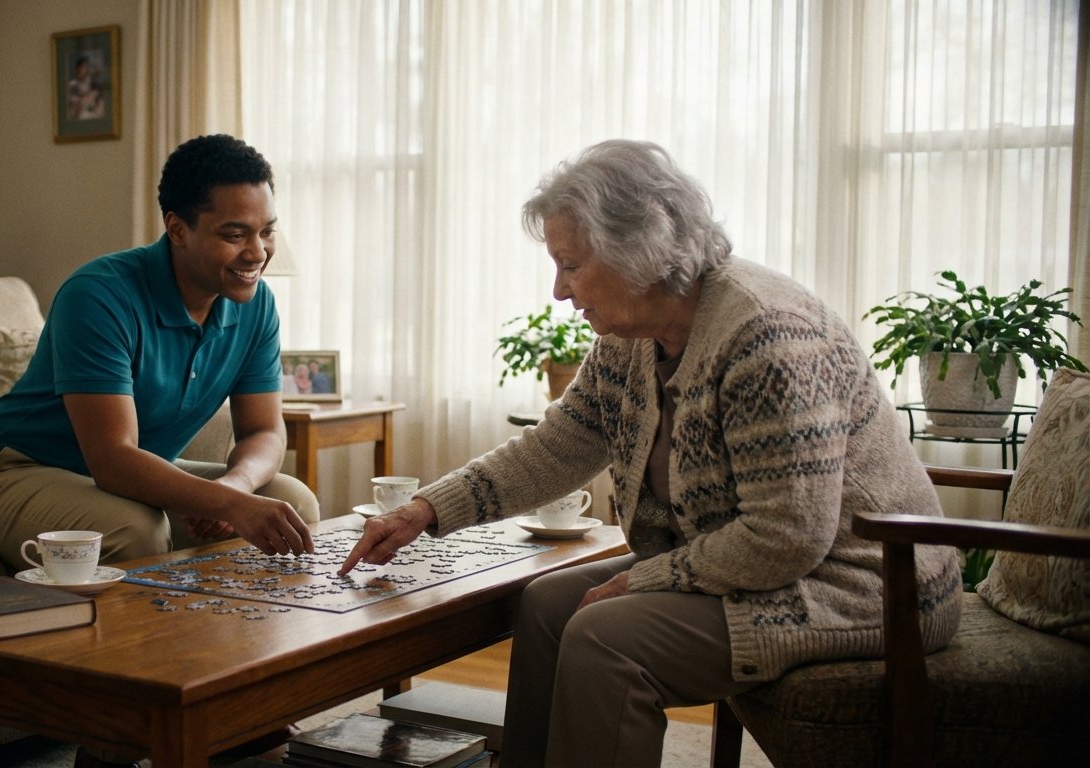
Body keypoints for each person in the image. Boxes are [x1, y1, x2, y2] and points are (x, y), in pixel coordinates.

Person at [338, 140, 962, 767]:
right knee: (548, 604)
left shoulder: (765, 335)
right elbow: (556, 446)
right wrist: (426, 510)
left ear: (639, 250)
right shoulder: (629, 338)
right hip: (770, 567)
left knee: (606, 639)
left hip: (864, 584)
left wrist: (643, 577)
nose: (558, 290)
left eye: (571, 265)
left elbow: (787, 536)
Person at [0, 134, 318, 575]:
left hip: (129, 472)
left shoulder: (257, 305)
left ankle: (247, 640)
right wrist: (227, 501)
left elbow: (263, 429)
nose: (258, 253)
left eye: (266, 232)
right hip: (15, 470)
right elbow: (113, 460)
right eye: (235, 234)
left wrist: (235, 488)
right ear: (178, 228)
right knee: (134, 531)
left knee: (291, 500)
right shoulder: (100, 295)